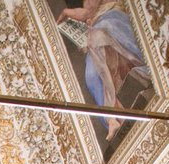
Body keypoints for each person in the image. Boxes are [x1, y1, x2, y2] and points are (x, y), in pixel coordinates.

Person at [56, 0, 151, 141]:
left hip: (113, 17)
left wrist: (82, 13)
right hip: (99, 28)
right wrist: (81, 14)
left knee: (98, 37)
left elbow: (92, 7)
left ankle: (148, 69)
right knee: (91, 74)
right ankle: (112, 118)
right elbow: (89, 9)